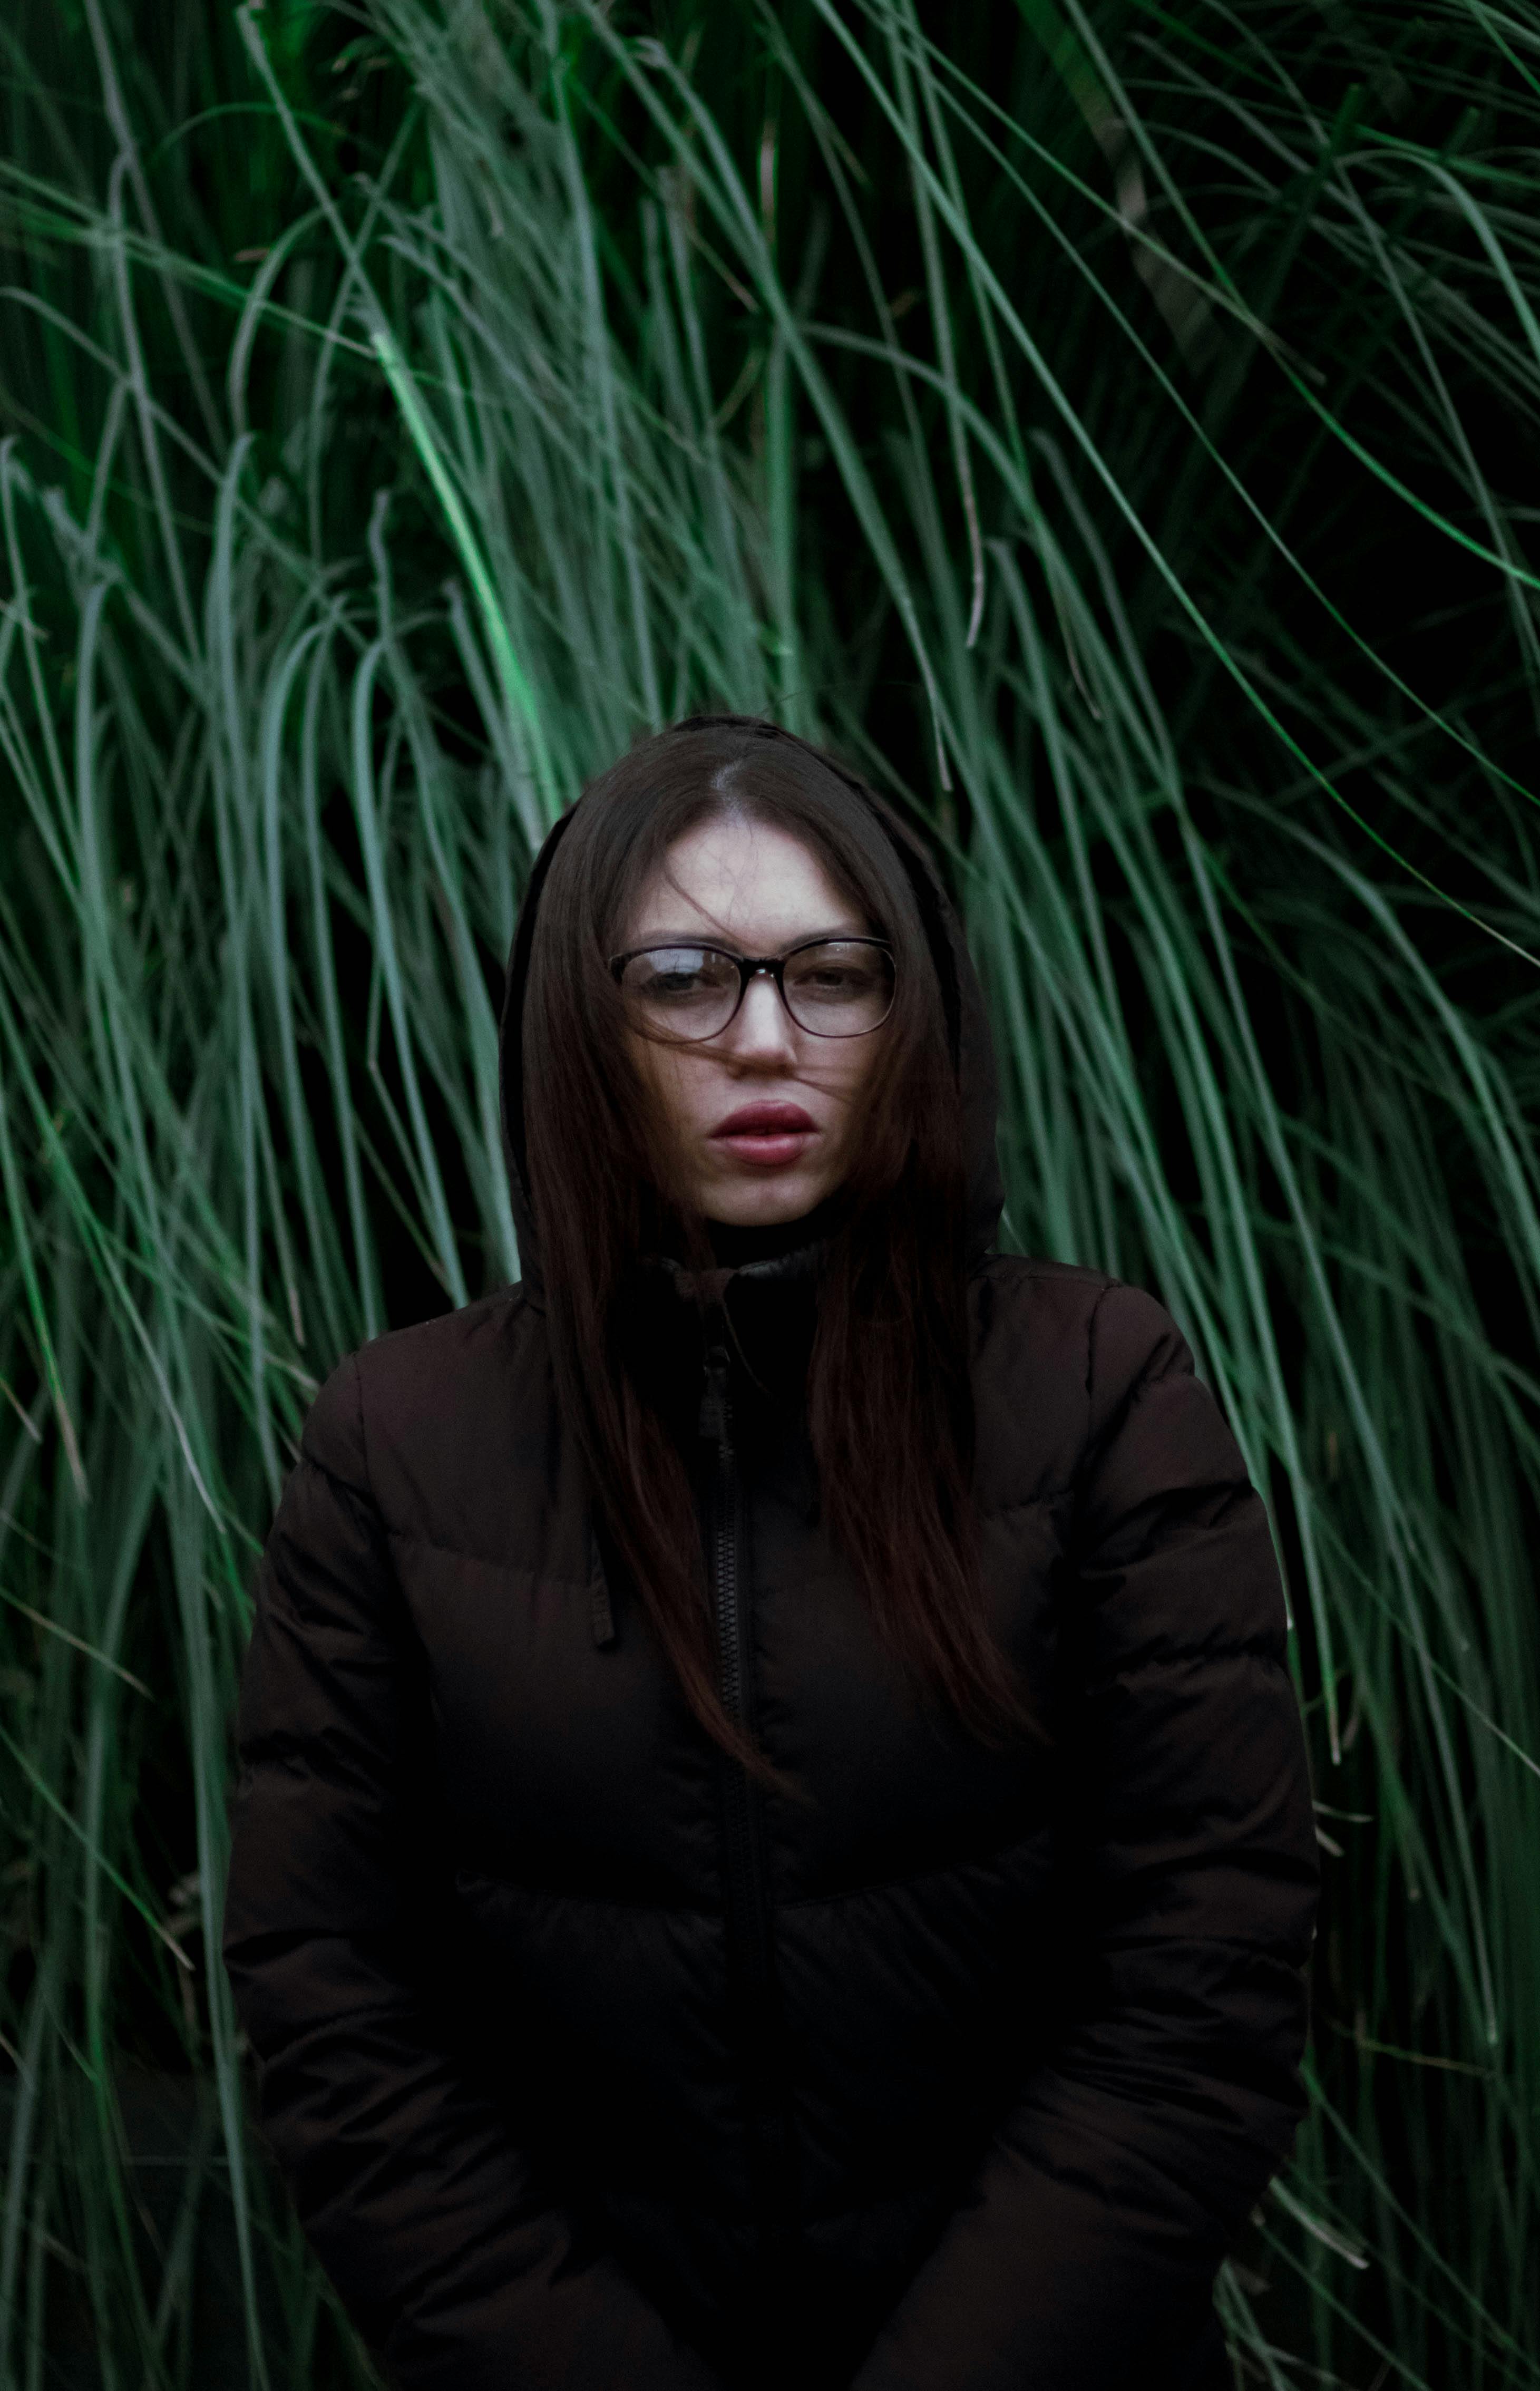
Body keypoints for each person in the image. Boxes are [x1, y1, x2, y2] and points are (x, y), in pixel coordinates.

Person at [223, 714, 1318, 2391]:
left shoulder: (1098, 1391)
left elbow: (1203, 1971)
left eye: (832, 972)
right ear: (578, 1023)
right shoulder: (397, 1441)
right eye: (681, 977)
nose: (761, 1040)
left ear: (910, 1011)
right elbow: (336, 1997)